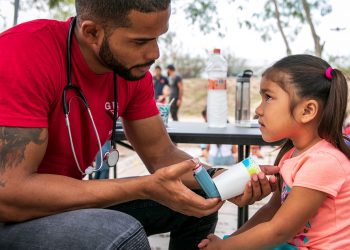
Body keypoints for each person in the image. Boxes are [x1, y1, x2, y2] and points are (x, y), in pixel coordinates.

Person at [0, 1, 278, 249]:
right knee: (118, 234)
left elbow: (162, 156)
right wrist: (143, 186)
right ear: (92, 32)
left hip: (58, 203)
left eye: (158, 38)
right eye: (140, 41)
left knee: (198, 197)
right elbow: (9, 193)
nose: (154, 53)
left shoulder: (129, 70)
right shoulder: (22, 53)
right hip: (9, 215)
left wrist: (221, 178)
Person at [199, 54, 350, 250]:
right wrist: (228, 241)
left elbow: (279, 230)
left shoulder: (324, 161)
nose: (258, 110)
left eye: (268, 97)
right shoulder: (292, 154)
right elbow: (272, 210)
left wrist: (223, 248)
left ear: (307, 111)